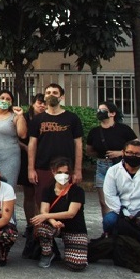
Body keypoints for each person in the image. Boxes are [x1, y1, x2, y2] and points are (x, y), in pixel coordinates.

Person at [28, 83, 83, 211]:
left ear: (61, 97)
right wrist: (31, 169)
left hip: (66, 169)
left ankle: (64, 230)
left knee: (64, 201)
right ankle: (41, 230)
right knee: (41, 201)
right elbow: (32, 144)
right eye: (48, 93)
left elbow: (78, 144)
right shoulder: (38, 119)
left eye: (54, 93)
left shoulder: (72, 118)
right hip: (43, 167)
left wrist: (78, 170)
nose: (50, 95)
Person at [31, 157, 88, 270]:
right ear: (53, 172)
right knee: (41, 227)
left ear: (71, 174)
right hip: (54, 225)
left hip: (74, 228)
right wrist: (52, 221)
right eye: (60, 172)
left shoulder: (77, 191)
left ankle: (71, 249)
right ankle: (48, 253)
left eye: (66, 173)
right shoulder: (47, 190)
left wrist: (47, 216)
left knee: (77, 265)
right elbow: (44, 210)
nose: (63, 175)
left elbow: (71, 213)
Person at [86, 100, 138, 216]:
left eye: (103, 110)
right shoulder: (94, 131)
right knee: (104, 202)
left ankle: (122, 228)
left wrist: (120, 153)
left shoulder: (123, 129)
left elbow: (137, 147)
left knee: (122, 200)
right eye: (98, 110)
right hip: (102, 167)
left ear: (112, 113)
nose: (100, 112)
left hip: (120, 166)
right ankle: (107, 230)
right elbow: (89, 150)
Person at [19, 93, 45, 235]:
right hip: (26, 159)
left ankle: (41, 224)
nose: (42, 105)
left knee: (41, 194)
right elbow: (16, 137)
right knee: (29, 194)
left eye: (44, 103)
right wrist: (26, 148)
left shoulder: (49, 118)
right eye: (39, 102)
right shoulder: (24, 117)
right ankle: (30, 224)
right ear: (33, 103)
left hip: (43, 158)